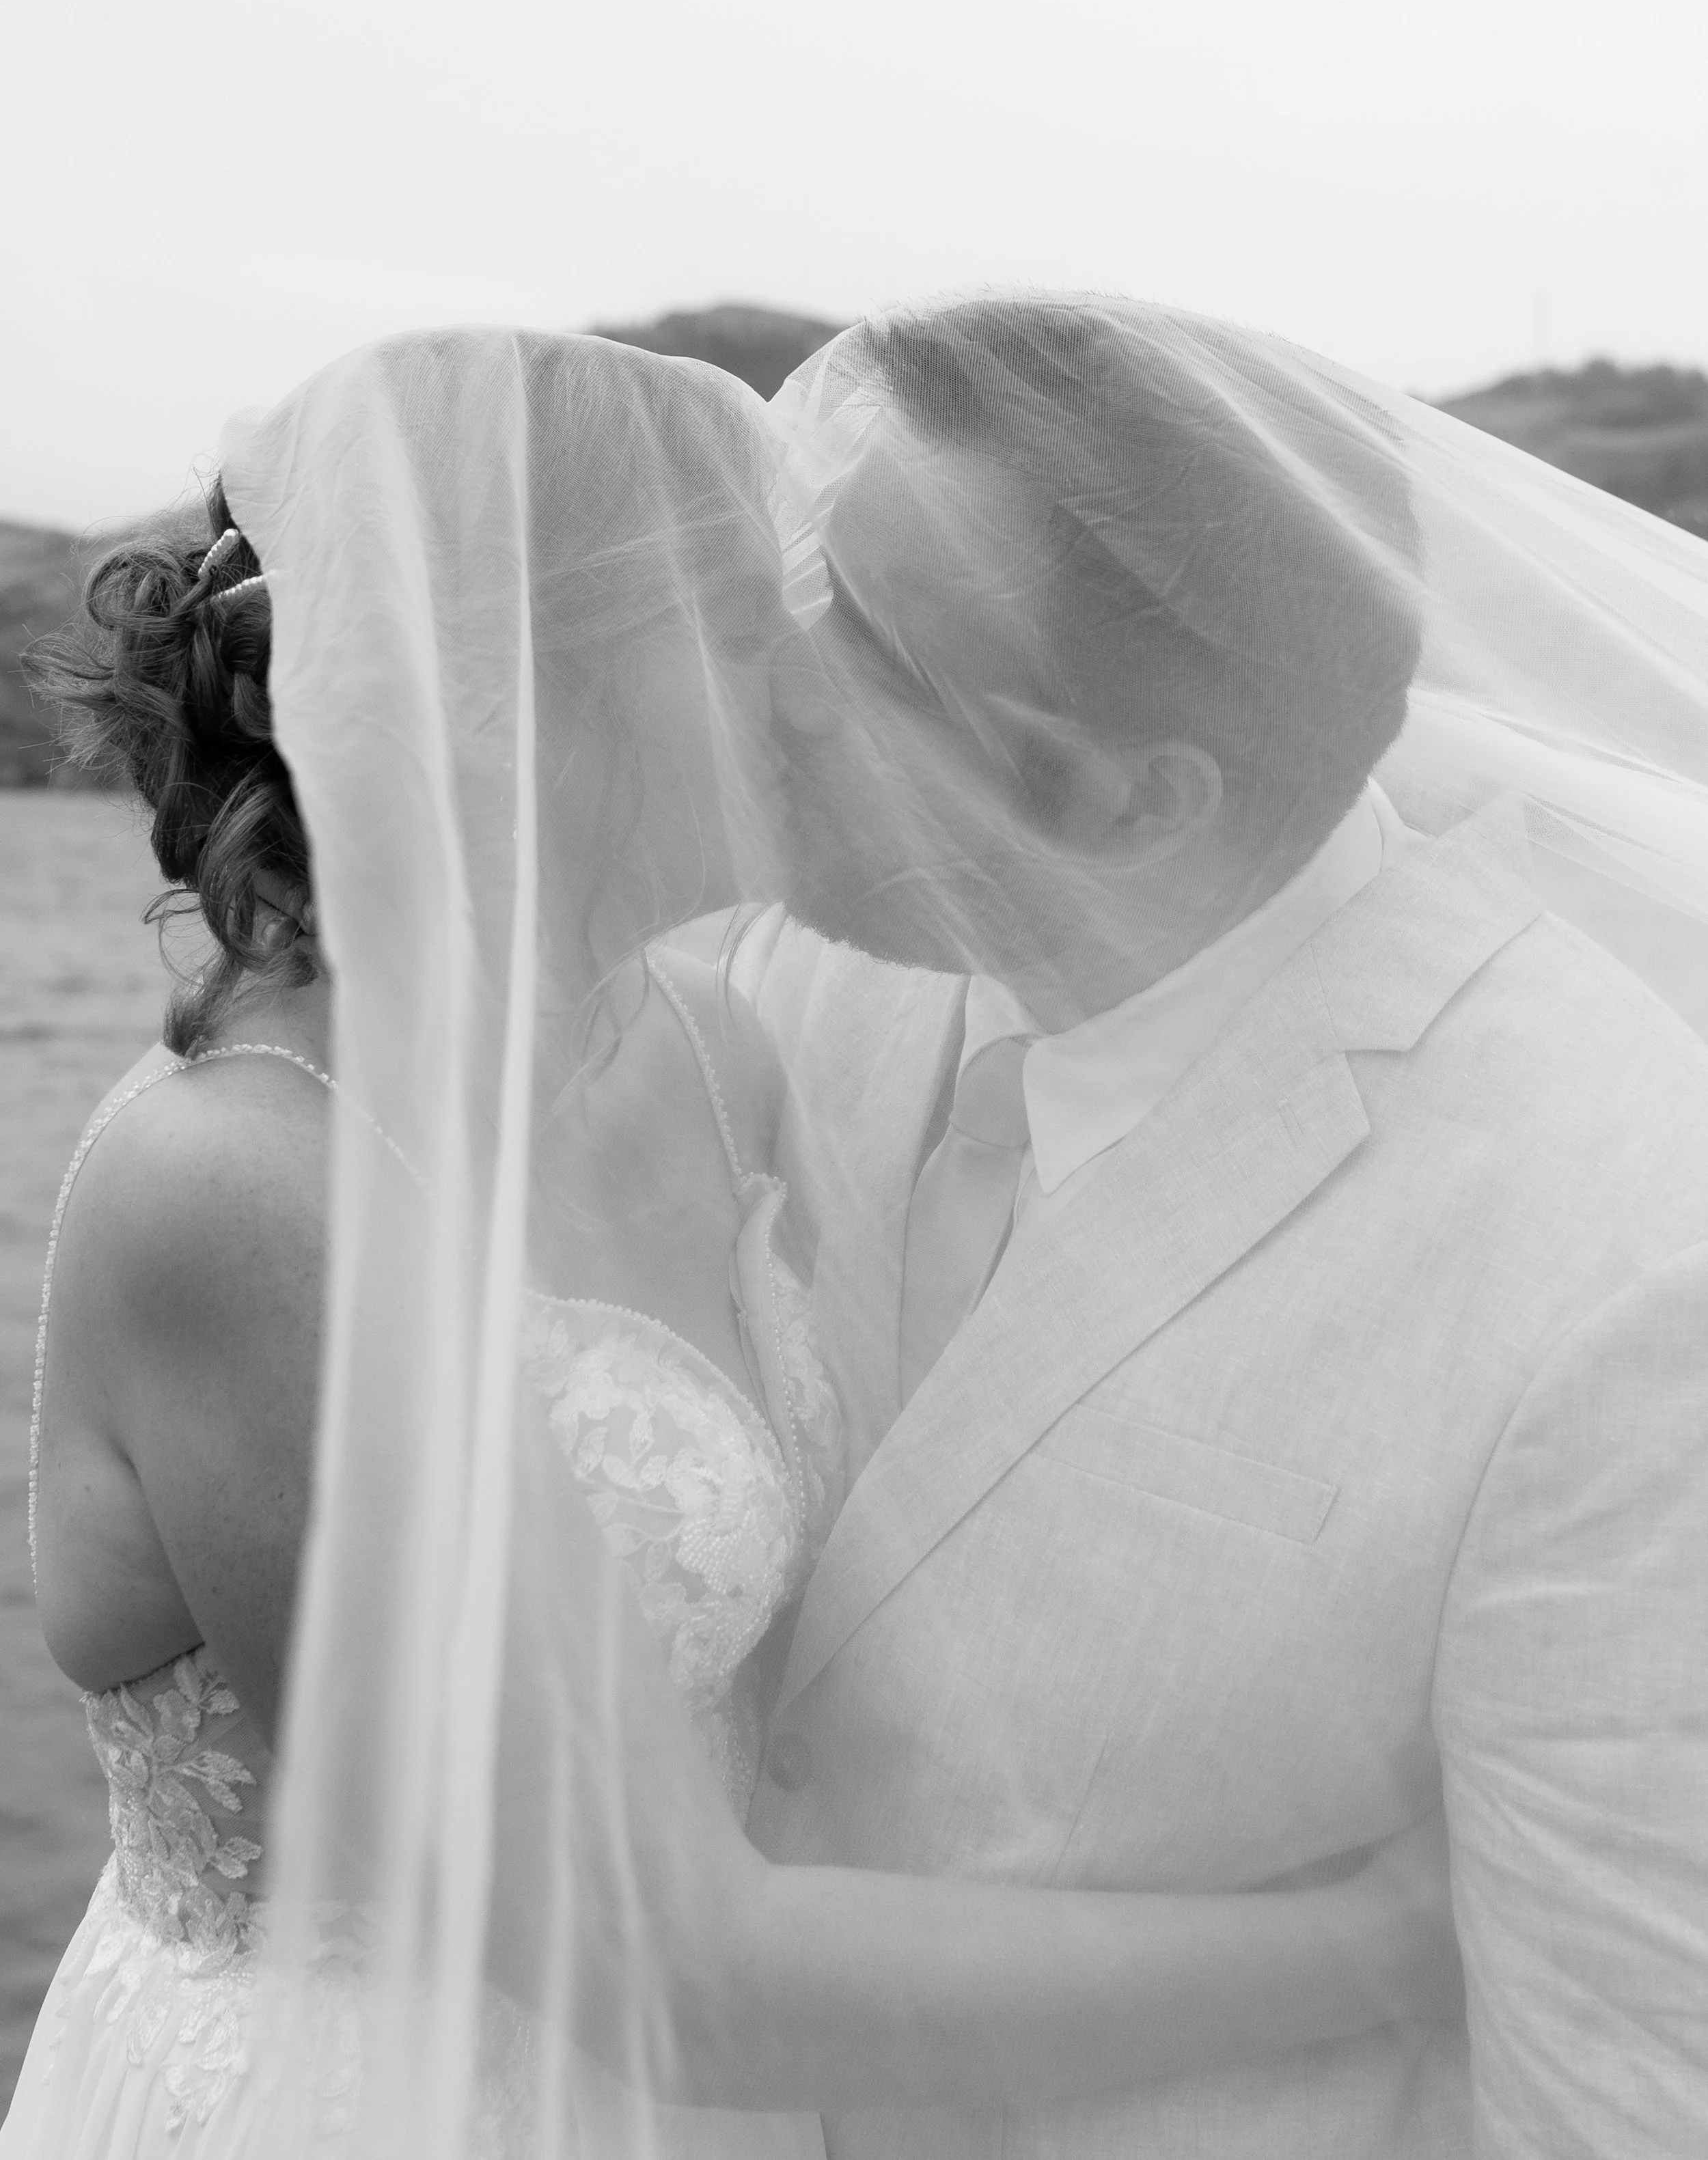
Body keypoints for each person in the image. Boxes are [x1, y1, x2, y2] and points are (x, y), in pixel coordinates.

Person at [3, 328, 1458, 2160]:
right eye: (754, 642)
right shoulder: (246, 1194)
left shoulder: (703, 1048)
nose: (815, 694)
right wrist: (1388, 1942)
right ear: (531, 706)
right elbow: (647, 1958)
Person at [724, 292, 1708, 2158]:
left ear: (1125, 788)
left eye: (836, 637)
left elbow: (1623, 2082)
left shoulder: (1633, 1261)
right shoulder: (798, 972)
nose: (751, 678)